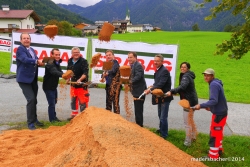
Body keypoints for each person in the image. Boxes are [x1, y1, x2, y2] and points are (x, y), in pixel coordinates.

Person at [194, 68, 228, 159]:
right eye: (205, 75)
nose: (206, 77)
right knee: (219, 132)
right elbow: (217, 100)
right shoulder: (216, 83)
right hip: (222, 112)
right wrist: (210, 107)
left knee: (215, 134)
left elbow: (214, 100)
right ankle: (219, 150)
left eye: (208, 75)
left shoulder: (213, 85)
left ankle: (213, 156)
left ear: (212, 76)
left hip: (219, 114)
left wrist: (200, 105)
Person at [16, 33, 44, 130]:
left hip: (32, 79)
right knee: (31, 99)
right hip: (24, 79)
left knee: (34, 100)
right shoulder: (20, 49)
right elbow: (24, 59)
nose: (26, 40)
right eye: (24, 38)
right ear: (21, 40)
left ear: (30, 40)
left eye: (28, 38)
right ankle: (30, 123)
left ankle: (34, 119)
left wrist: (40, 62)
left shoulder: (31, 50)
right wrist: (36, 61)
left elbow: (35, 60)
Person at [166, 62, 198, 146]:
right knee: (190, 120)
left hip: (188, 101)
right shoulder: (189, 75)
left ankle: (188, 142)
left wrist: (172, 91)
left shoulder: (186, 76)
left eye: (184, 67)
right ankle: (193, 136)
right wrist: (178, 92)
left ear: (188, 68)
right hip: (193, 100)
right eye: (181, 67)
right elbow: (184, 88)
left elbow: (183, 86)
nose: (182, 68)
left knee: (187, 122)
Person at [144, 54, 173, 138]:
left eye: (157, 61)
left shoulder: (164, 71)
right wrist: (152, 86)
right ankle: (161, 129)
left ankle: (164, 135)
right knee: (160, 115)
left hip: (165, 97)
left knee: (163, 117)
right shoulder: (158, 70)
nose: (155, 62)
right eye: (155, 61)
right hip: (159, 96)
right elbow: (157, 83)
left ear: (162, 62)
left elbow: (161, 84)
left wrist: (150, 90)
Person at [67, 47, 89, 120]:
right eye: (74, 53)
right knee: (73, 101)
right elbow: (69, 72)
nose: (76, 54)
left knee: (83, 102)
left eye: (77, 53)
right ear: (72, 54)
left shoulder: (83, 61)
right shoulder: (70, 61)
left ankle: (83, 118)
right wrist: (68, 78)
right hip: (73, 85)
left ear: (79, 53)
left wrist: (80, 79)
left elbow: (85, 73)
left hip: (82, 86)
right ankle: (74, 116)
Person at [42, 48, 64, 122]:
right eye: (56, 55)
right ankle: (52, 120)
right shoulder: (50, 63)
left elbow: (60, 71)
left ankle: (54, 117)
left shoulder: (57, 63)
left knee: (54, 102)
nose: (58, 56)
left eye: (59, 55)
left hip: (54, 86)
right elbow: (54, 72)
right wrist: (63, 75)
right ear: (52, 55)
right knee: (51, 104)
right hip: (48, 87)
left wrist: (66, 76)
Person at [128, 51, 147, 127]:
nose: (129, 59)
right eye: (128, 57)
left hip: (139, 91)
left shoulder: (138, 65)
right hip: (136, 91)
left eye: (131, 57)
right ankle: (138, 125)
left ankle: (140, 126)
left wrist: (129, 82)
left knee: (138, 110)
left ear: (135, 57)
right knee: (137, 110)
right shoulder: (133, 65)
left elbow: (138, 77)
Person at [102, 50, 121, 114]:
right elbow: (103, 73)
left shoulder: (115, 63)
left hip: (115, 86)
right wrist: (103, 77)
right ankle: (108, 117)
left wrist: (106, 73)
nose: (108, 56)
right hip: (108, 85)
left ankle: (117, 117)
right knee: (108, 102)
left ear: (113, 56)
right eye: (107, 55)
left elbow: (113, 70)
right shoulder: (107, 64)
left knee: (115, 103)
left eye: (109, 55)